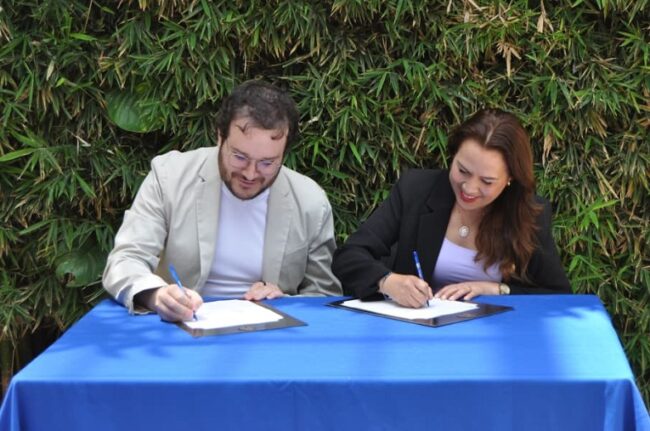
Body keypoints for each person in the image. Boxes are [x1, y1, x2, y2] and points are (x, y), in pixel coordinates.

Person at [103, 80, 342, 321]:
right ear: (220, 136)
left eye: (267, 163)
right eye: (239, 157)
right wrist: (157, 295)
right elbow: (125, 259)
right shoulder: (169, 177)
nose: (251, 173)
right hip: (181, 324)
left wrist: (286, 302)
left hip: (270, 332)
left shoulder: (311, 201)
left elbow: (324, 295)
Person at [332, 108, 571, 308]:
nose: (469, 188)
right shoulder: (416, 190)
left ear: (510, 179)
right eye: (462, 171)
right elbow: (349, 256)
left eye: (487, 181)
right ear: (453, 156)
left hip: (493, 337)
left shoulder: (529, 214)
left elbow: (558, 295)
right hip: (416, 330)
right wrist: (387, 281)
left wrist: (497, 289)